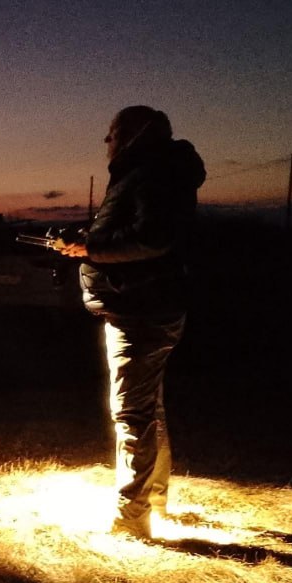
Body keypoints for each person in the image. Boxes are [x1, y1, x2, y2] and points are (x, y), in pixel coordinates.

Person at [55, 105, 205, 538]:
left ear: (135, 134)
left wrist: (91, 250)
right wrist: (90, 243)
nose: (108, 142)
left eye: (112, 133)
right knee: (147, 410)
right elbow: (143, 231)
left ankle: (132, 519)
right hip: (146, 306)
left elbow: (152, 238)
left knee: (132, 415)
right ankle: (153, 500)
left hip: (140, 310)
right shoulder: (155, 170)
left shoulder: (150, 172)